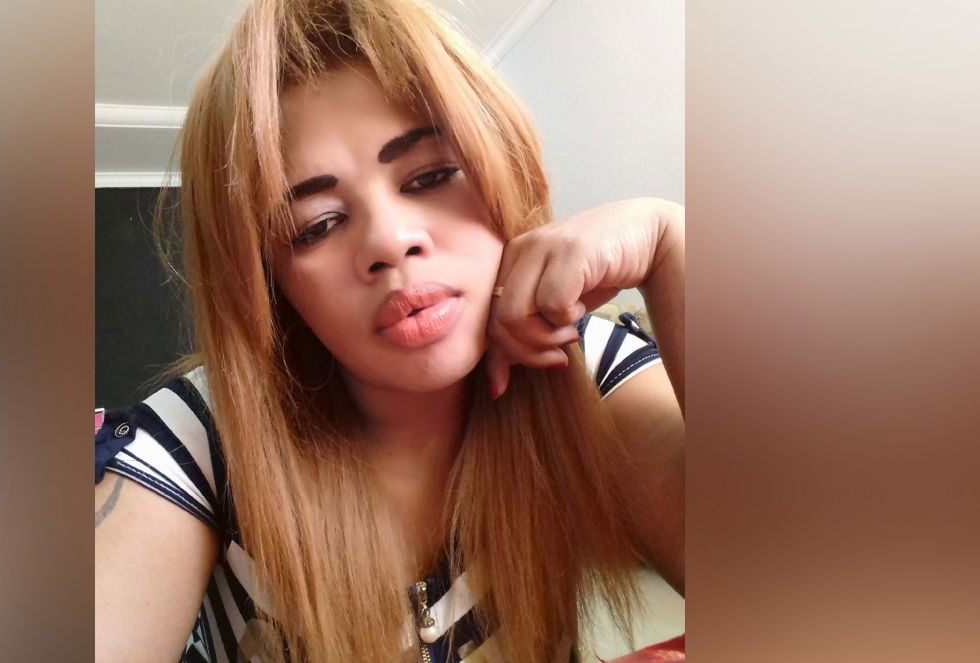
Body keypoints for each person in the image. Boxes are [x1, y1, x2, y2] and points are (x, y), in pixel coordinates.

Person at [94, 1, 684, 661]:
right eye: (317, 224)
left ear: (503, 167)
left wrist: (673, 245)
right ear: (271, 283)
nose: (390, 240)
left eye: (431, 176)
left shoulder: (582, 361)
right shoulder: (198, 439)